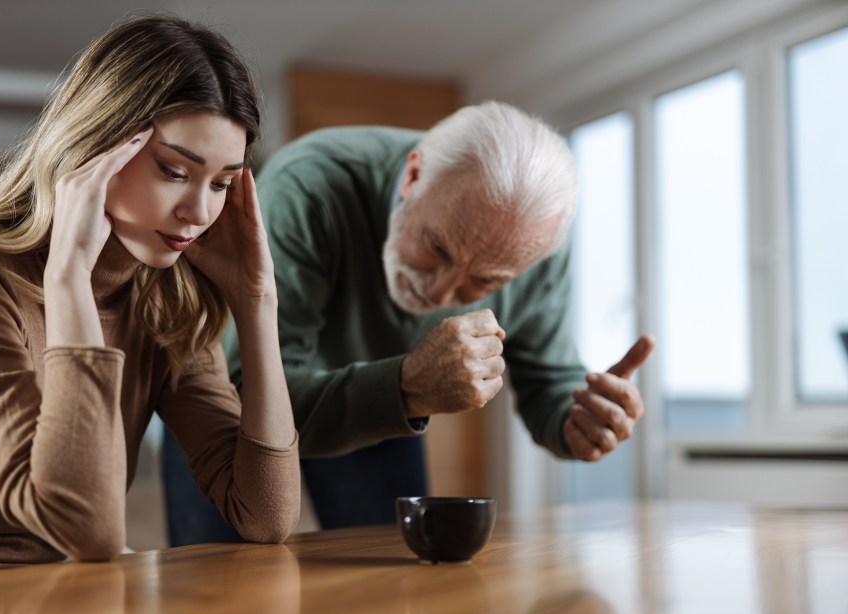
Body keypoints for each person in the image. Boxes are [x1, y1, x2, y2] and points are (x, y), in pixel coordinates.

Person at [0, 14, 300, 587]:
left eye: (221, 183)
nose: (199, 212)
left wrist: (256, 303)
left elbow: (267, 515)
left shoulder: (164, 298)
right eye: (174, 170)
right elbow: (88, 530)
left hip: (62, 595)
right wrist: (69, 279)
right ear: (94, 149)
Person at [161, 101, 654, 545]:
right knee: (214, 584)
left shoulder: (537, 250)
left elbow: (549, 383)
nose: (440, 294)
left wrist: (579, 422)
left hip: (377, 411)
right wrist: (404, 390)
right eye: (437, 247)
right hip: (232, 409)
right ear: (414, 176)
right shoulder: (311, 184)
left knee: (395, 591)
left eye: (485, 280)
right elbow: (246, 393)